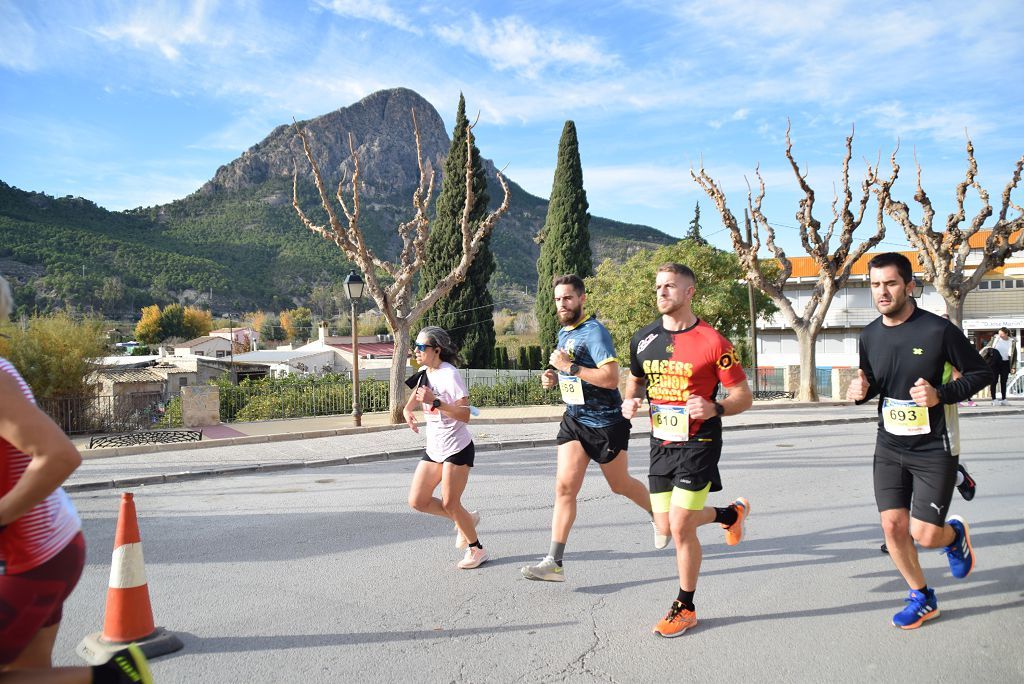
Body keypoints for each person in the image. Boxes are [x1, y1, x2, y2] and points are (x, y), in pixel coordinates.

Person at [0, 274, 152, 683]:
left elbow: (60, 455)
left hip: (30, 560)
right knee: (27, 673)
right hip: (51, 549)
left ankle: (115, 678)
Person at [847, 253, 991, 629]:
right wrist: (861, 391)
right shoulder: (869, 335)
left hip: (934, 446)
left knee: (924, 535)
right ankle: (922, 597)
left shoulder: (937, 331)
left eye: (890, 283)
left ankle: (952, 535)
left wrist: (940, 394)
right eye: (875, 285)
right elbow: (876, 382)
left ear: (909, 286)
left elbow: (981, 373)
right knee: (893, 526)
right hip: (890, 445)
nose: (882, 292)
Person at [621, 263, 752, 637]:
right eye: (658, 286)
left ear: (689, 292)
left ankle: (686, 605)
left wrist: (716, 407)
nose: (661, 292)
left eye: (670, 286)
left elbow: (744, 395)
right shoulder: (643, 339)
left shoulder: (714, 342)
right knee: (664, 524)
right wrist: (630, 403)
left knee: (679, 527)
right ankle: (728, 515)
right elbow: (635, 381)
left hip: (700, 441)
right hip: (662, 441)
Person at [520, 275, 655, 583]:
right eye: (557, 299)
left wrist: (569, 368)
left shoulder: (595, 333)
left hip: (607, 424)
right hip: (575, 420)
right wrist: (554, 377)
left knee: (619, 484)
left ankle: (656, 513)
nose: (562, 304)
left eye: (567, 298)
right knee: (564, 487)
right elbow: (570, 372)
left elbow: (609, 378)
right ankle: (554, 561)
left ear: (581, 298)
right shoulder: (563, 332)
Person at [404, 325, 487, 570]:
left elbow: (465, 415)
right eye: (415, 347)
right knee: (417, 501)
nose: (416, 351)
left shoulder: (450, 375)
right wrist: (408, 410)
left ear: (436, 350)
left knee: (451, 503)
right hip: (435, 448)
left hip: (457, 448)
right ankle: (467, 519)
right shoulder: (423, 371)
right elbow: (416, 395)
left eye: (421, 347)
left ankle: (477, 549)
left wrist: (436, 402)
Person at [986, 327, 1015, 405]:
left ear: (1006, 334)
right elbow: (987, 349)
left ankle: (1004, 399)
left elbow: (1014, 355)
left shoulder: (1011, 341)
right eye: (999, 333)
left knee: (1003, 381)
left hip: (1005, 363)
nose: (1000, 335)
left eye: (1001, 334)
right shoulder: (995, 339)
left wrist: (1013, 366)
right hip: (995, 363)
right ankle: (994, 399)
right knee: (994, 381)